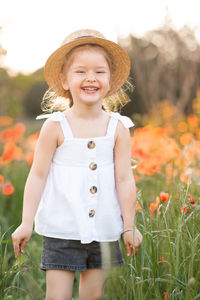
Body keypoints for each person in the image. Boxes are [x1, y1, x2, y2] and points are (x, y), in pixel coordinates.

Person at [11, 29, 143, 300]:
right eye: (80, 71)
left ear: (110, 79)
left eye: (99, 71)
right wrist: (26, 222)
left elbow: (124, 179)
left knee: (91, 297)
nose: (91, 78)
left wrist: (128, 225)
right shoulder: (55, 127)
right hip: (61, 230)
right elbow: (37, 176)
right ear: (64, 79)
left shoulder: (118, 128)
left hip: (104, 231)